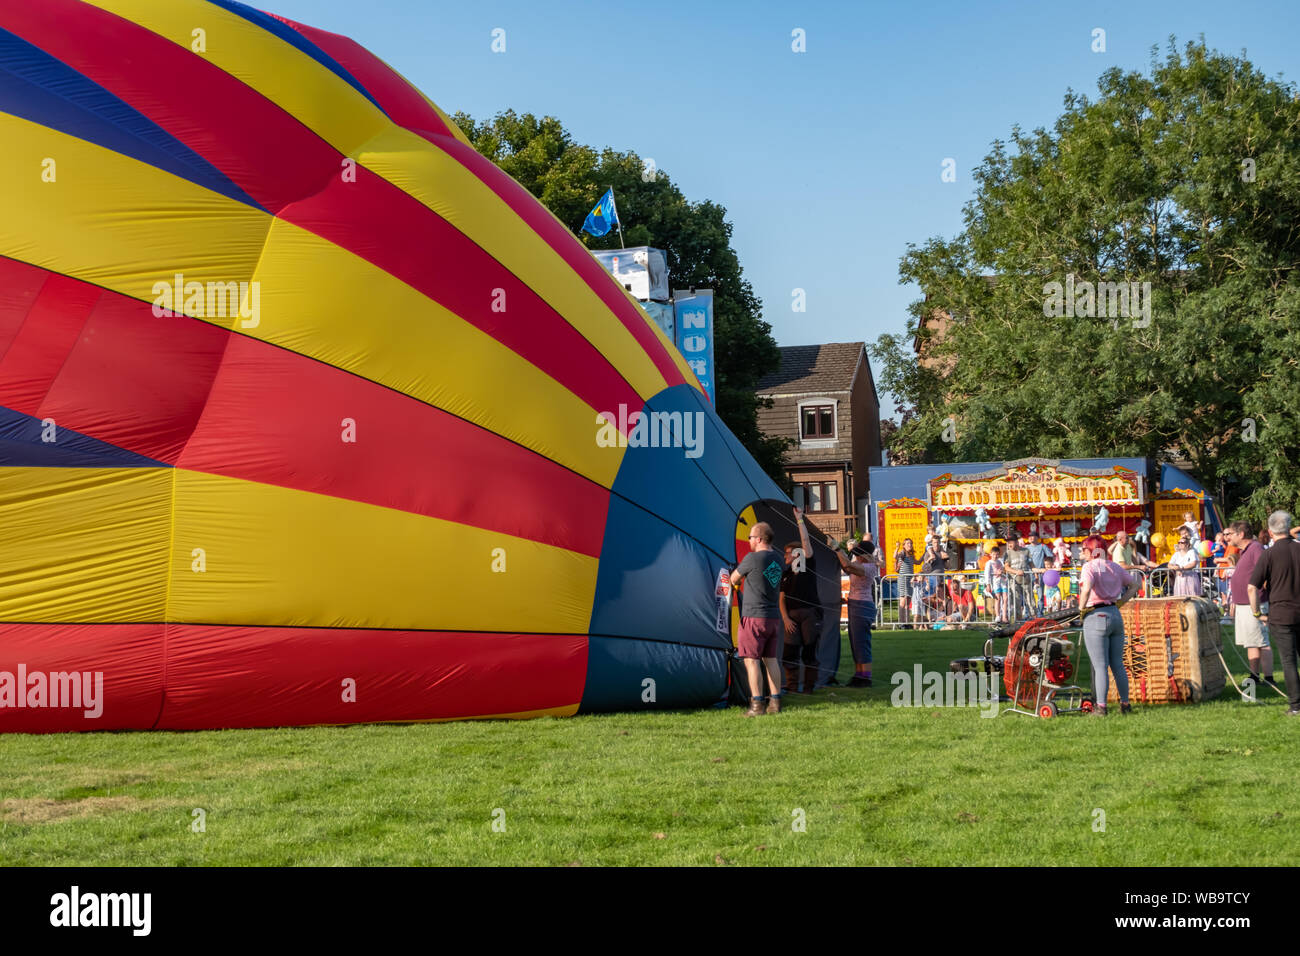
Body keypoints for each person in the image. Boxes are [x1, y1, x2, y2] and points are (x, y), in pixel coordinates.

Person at [1077, 537, 1142, 715]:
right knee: (1118, 664)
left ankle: (1101, 707)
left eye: (1083, 548)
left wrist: (1081, 609)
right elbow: (1135, 585)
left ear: (1092, 550)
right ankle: (1125, 704)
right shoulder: (1114, 566)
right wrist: (1120, 602)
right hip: (1115, 614)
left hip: (1096, 615)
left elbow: (1087, 588)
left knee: (1100, 666)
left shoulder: (1089, 567)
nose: (1081, 552)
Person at [1248, 511, 1300, 715]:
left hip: (1281, 613)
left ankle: (1296, 706)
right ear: (1289, 528)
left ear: (1270, 532)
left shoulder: (1268, 554)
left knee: (1288, 661)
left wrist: (1255, 613)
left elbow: (1252, 587)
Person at [731, 522, 785, 716]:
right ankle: (775, 702)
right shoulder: (778, 560)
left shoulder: (752, 558)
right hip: (772, 618)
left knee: (751, 661)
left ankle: (757, 705)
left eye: (751, 537)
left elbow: (733, 578)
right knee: (771, 660)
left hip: (753, 617)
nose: (749, 541)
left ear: (759, 539)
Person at [779, 508, 821, 695]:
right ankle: (792, 686)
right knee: (789, 652)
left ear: (798, 554)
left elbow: (806, 542)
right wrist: (786, 619)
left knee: (809, 650)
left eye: (788, 553)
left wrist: (800, 520)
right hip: (791, 617)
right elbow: (781, 599)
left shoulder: (808, 565)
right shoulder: (785, 574)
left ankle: (809, 688)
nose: (785, 557)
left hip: (810, 613)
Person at [1228, 521, 1275, 687]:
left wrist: (1261, 591)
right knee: (1252, 641)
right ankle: (1254, 676)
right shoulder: (1247, 550)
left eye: (1231, 534)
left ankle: (1269, 679)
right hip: (1244, 605)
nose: (1229, 538)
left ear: (1241, 534)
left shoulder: (1255, 548)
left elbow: (1266, 571)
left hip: (1253, 604)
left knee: (1262, 642)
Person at [831, 538, 878, 686]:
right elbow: (848, 566)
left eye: (858, 555)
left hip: (862, 606)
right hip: (856, 604)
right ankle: (859, 675)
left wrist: (838, 550)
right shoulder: (861, 564)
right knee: (855, 643)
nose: (856, 557)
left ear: (865, 556)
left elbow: (848, 566)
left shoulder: (869, 567)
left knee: (861, 643)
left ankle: (866, 677)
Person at [1002, 531, 1033, 621]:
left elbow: (1032, 565)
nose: (1009, 544)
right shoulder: (1007, 553)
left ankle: (1034, 621)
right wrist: (1016, 572)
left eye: (1011, 542)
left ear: (1016, 541)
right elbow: (1006, 567)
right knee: (1016, 602)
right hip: (1014, 582)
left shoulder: (1026, 551)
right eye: (1008, 542)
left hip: (1026, 580)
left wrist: (1038, 573)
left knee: (1030, 601)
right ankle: (1018, 622)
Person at [1024, 532, 1050, 613]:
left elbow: (1050, 557)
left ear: (1037, 537)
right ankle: (1028, 613)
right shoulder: (1026, 548)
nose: (1031, 538)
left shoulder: (1042, 546)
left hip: (1040, 574)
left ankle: (1040, 613)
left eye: (1033, 536)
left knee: (1040, 595)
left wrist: (1047, 566)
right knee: (1028, 595)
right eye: (1030, 536)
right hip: (1029, 574)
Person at [895, 538, 917, 625]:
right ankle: (901, 623)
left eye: (911, 543)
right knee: (902, 602)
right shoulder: (902, 553)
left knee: (908, 602)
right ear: (904, 545)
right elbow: (895, 557)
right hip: (903, 579)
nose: (910, 545)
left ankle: (907, 623)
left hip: (909, 580)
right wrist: (897, 548)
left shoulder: (911, 556)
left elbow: (918, 562)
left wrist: (926, 554)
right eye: (907, 543)